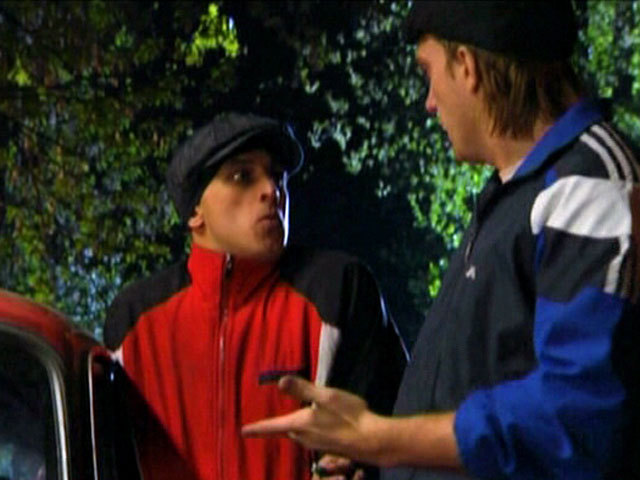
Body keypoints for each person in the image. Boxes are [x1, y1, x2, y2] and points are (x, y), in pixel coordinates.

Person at [242, 2, 640, 479]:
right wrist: (386, 461)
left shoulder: (591, 185)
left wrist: (383, 439)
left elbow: (576, 422)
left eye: (428, 73)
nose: (429, 102)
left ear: (467, 67)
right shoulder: (513, 194)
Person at [104, 111, 407, 480]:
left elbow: (402, 431)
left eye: (277, 175)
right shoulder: (133, 321)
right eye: (242, 176)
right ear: (195, 211)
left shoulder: (338, 289)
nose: (272, 190)